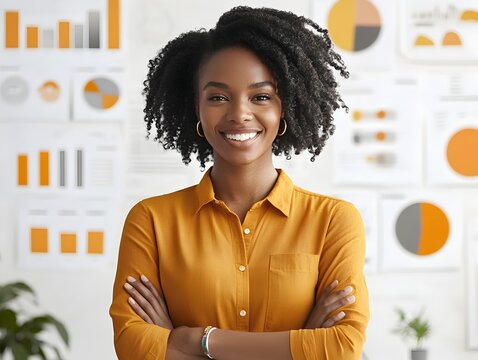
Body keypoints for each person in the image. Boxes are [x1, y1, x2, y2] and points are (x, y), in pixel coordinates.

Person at [110, 6, 369, 360]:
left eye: (261, 96)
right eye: (217, 97)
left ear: (285, 109)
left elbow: (342, 347)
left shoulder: (334, 220)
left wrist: (195, 341)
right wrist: (300, 341)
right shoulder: (151, 220)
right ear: (196, 108)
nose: (239, 114)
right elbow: (132, 348)